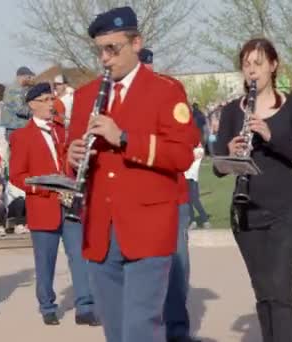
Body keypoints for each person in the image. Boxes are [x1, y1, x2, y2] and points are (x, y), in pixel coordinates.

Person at [66, 7, 198, 341]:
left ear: (136, 42)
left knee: (141, 329)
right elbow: (71, 153)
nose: (105, 59)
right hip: (99, 228)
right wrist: (71, 155)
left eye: (113, 49)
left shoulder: (166, 91)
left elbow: (181, 153)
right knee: (116, 330)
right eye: (100, 50)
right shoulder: (85, 97)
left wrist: (124, 138)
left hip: (147, 227)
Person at [213, 37, 292, 342]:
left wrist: (271, 137)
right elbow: (218, 167)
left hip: (286, 211)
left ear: (273, 65)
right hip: (245, 211)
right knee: (263, 291)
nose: (252, 71)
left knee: (281, 288)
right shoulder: (232, 111)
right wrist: (229, 151)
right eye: (246, 64)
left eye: (258, 63)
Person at [10, 83, 99, 326]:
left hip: (70, 205)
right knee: (45, 261)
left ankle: (85, 307)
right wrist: (45, 188)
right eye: (47, 99)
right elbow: (16, 175)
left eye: (52, 98)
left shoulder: (63, 130)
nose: (52, 103)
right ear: (33, 104)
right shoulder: (21, 136)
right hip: (43, 206)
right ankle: (47, 306)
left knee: (80, 257)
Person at [139, 47, 201, 342]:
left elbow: (189, 138)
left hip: (171, 193)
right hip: (134, 198)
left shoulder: (170, 89)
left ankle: (177, 331)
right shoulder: (113, 95)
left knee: (176, 266)